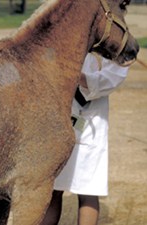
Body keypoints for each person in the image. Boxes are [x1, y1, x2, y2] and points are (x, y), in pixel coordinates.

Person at [41, 53, 129, 225]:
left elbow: (115, 75)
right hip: (60, 116)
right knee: (52, 188)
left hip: (92, 122)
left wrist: (78, 78)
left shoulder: (109, 38)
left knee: (88, 189)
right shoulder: (68, 30)